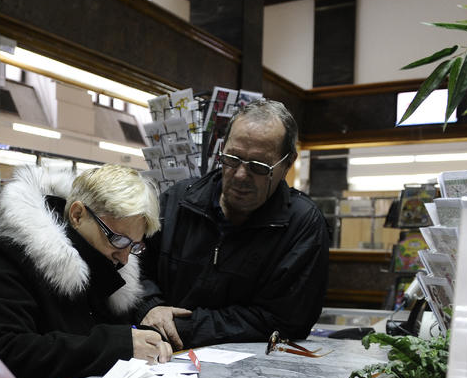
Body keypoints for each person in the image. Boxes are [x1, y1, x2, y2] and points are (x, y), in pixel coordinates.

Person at [0, 164, 171, 378]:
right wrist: (118, 345)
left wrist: (145, 339)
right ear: (77, 215)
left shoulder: (107, 265)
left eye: (134, 245)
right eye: (118, 239)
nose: (124, 258)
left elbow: (115, 332)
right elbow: (0, 353)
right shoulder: (10, 256)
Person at [137, 99, 329, 350]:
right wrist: (153, 307)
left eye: (259, 167)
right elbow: (133, 269)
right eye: (232, 159)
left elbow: (287, 319)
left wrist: (184, 327)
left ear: (287, 164)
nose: (240, 175)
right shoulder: (177, 201)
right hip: (156, 358)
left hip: (250, 374)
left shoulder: (303, 226)